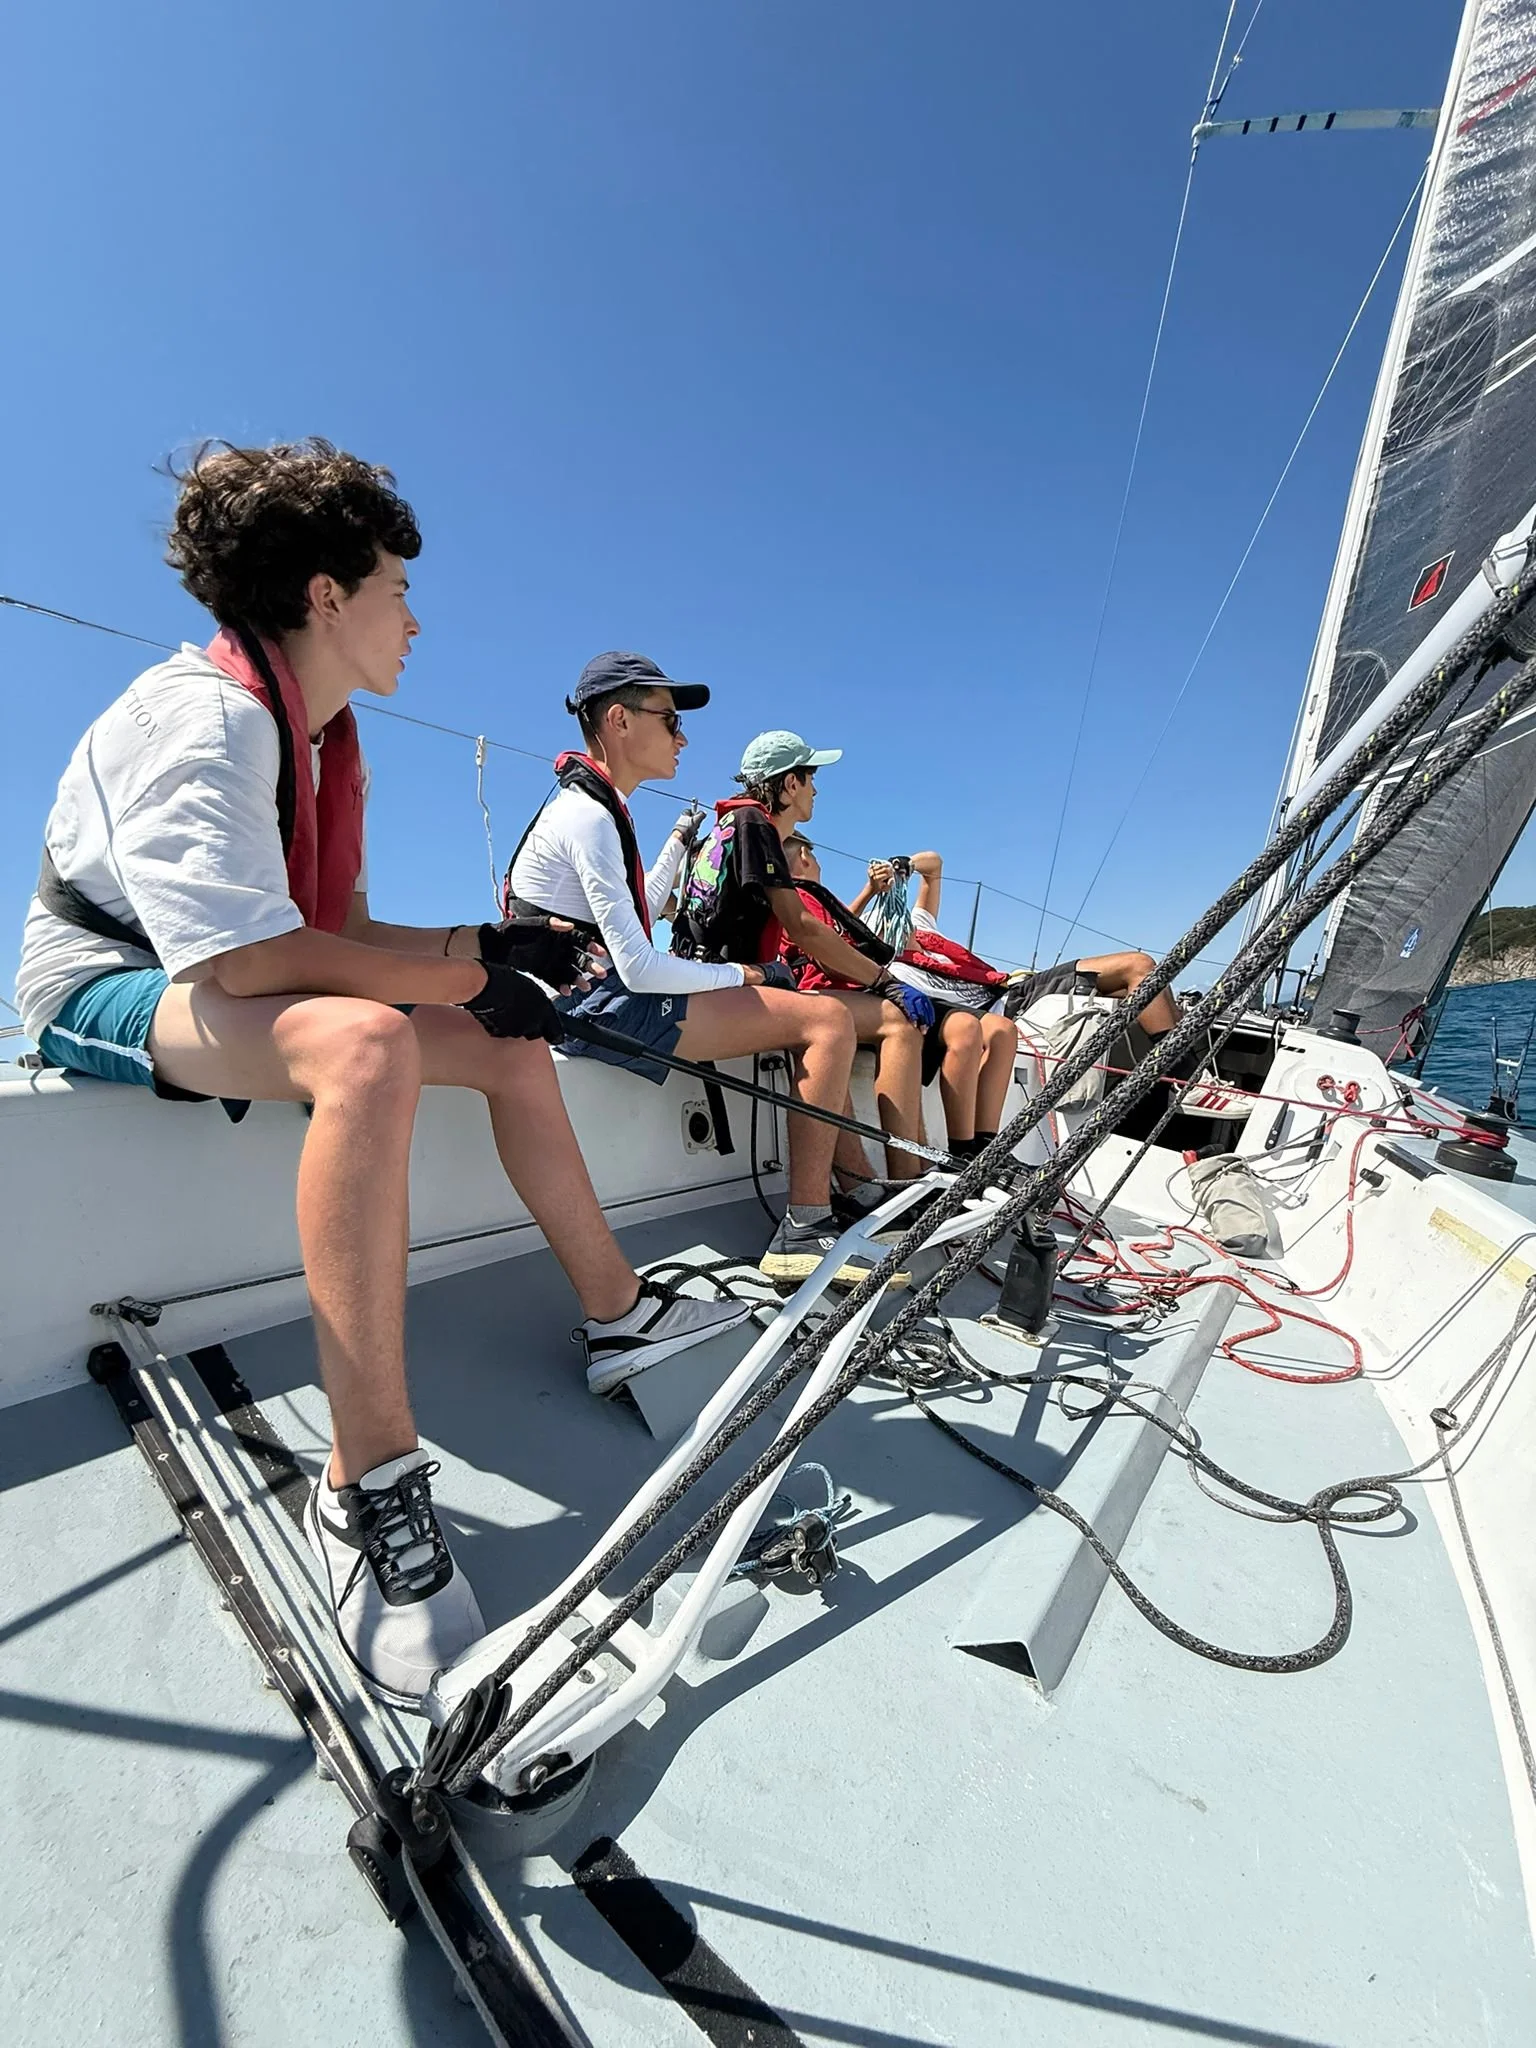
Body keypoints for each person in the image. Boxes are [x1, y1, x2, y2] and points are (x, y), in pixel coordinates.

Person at [12, 440, 750, 1709]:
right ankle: (365, 1486)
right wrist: (459, 979)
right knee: (367, 1042)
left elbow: (343, 934)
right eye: (398, 587)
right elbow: (252, 962)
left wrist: (492, 953)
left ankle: (619, 1312)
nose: (416, 615)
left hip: (230, 977)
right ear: (324, 595)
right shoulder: (207, 720)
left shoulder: (328, 736)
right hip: (106, 985)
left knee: (508, 1037)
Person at [505, 658, 877, 1290]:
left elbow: (641, 908)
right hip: (600, 1007)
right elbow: (641, 969)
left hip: (587, 998)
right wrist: (749, 975)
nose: (683, 738)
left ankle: (857, 1190)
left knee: (806, 1016)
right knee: (828, 1021)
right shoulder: (589, 816)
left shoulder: (593, 806)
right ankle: (804, 1227)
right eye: (671, 720)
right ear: (620, 720)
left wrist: (679, 840)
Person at [673, 731, 941, 1216]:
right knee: (895, 1020)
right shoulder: (756, 826)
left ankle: (860, 1187)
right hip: (727, 993)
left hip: (714, 987)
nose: (816, 791)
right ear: (790, 783)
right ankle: (908, 1184)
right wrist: (887, 982)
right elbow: (804, 928)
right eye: (812, 779)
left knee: (826, 1031)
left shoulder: (726, 827)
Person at [821, 844, 1016, 1161]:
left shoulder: (922, 925)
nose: (898, 923)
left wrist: (904, 867)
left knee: (1004, 1031)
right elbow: (833, 934)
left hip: (964, 1006)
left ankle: (987, 1145)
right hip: (927, 1010)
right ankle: (963, 1149)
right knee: (967, 1029)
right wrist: (871, 891)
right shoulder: (885, 957)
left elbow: (934, 865)